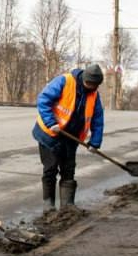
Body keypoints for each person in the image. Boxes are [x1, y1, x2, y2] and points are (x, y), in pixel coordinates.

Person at [32, 62, 105, 215]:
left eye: (94, 85)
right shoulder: (64, 81)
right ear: (83, 78)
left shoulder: (94, 94)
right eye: (88, 84)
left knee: (69, 169)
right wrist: (51, 122)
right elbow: (43, 100)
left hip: (71, 138)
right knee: (50, 169)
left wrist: (95, 142)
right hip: (49, 134)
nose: (90, 87)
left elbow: (97, 118)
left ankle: (68, 206)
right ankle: (49, 206)